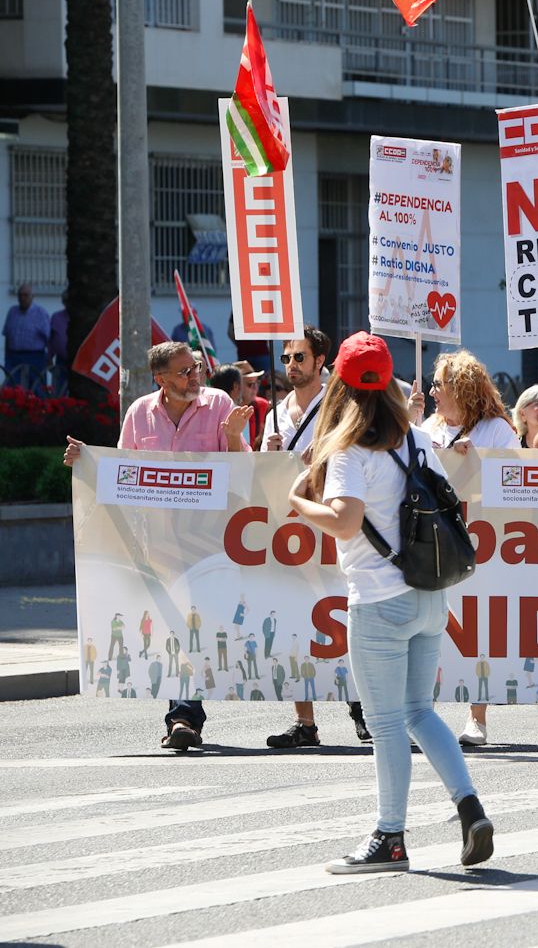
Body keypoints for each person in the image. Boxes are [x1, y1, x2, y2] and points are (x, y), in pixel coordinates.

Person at [287, 331, 493, 874]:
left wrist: (299, 501)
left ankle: (390, 838)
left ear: (340, 385)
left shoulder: (349, 448)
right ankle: (468, 805)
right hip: (429, 595)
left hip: (378, 600)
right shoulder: (418, 439)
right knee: (419, 712)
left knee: (384, 724)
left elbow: (346, 520)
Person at [62, 340, 251, 751]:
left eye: (197, 367)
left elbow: (243, 475)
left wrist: (234, 438)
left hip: (207, 543)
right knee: (174, 627)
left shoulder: (219, 405)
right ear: (160, 380)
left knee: (193, 625)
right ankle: (184, 716)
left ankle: (183, 715)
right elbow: (124, 470)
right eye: (184, 372)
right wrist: (88, 461)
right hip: (156, 545)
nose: (195, 376)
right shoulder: (139, 413)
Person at [258, 326, 370, 748]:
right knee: (293, 622)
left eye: (299, 357)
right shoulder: (276, 410)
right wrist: (263, 451)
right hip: (287, 530)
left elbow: (358, 450)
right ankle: (304, 722)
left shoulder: (337, 407)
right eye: (287, 358)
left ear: (320, 361)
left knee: (342, 619)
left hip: (332, 524)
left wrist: (324, 450)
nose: (291, 366)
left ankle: (362, 710)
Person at [419, 350, 518, 747]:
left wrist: (475, 464)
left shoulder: (497, 431)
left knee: (476, 629)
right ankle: (422, 713)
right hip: (435, 543)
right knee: (431, 627)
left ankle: (477, 717)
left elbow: (514, 483)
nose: (432, 392)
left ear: (460, 388)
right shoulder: (429, 428)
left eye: (439, 385)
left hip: (484, 544)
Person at [4, 284, 51, 391]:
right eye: (20, 295)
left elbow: (49, 337)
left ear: (32, 296)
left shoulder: (40, 313)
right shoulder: (12, 311)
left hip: (35, 356)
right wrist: (7, 357)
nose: (22, 298)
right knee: (11, 388)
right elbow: (7, 334)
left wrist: (49, 357)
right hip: (14, 356)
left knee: (37, 388)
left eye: (25, 295)